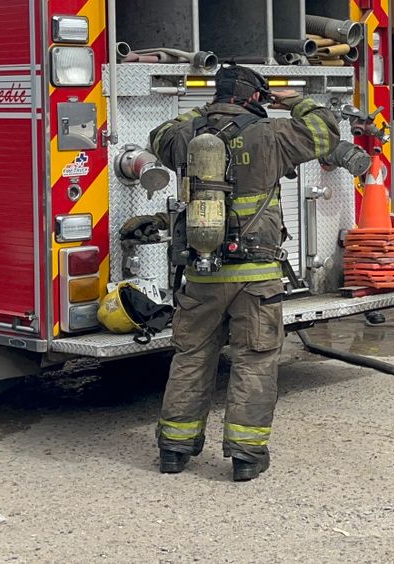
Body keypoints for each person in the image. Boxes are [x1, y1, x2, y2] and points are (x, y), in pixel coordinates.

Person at [126, 63, 346, 482]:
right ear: (256, 97)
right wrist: (294, 102)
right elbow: (326, 132)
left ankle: (174, 450)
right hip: (256, 274)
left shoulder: (188, 135)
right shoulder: (273, 134)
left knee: (191, 356)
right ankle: (246, 456)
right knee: (254, 359)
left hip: (202, 272)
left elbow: (159, 135)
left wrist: (204, 112)